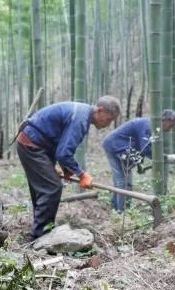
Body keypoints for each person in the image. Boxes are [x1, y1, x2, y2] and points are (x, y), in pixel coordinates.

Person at [16, 96, 121, 239]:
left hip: (39, 145)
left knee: (44, 188)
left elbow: (60, 143)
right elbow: (64, 153)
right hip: (32, 145)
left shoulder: (82, 114)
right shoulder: (80, 119)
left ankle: (40, 231)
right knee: (52, 188)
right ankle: (40, 236)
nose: (108, 125)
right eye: (108, 120)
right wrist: (81, 174)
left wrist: (66, 170)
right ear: (100, 110)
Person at [102, 110, 175, 212]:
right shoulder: (148, 126)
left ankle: (117, 209)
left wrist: (139, 165)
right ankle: (122, 212)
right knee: (123, 182)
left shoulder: (150, 125)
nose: (170, 130)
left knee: (122, 181)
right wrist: (166, 158)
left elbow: (139, 147)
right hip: (115, 147)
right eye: (171, 126)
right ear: (165, 120)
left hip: (119, 148)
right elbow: (147, 149)